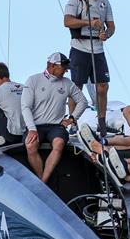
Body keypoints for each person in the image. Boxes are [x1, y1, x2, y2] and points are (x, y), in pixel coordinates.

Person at [22, 52, 88, 183]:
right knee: (30, 146)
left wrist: (72, 119)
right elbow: (25, 107)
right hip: (36, 126)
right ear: (52, 66)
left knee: (59, 143)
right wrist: (31, 128)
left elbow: (83, 101)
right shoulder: (33, 80)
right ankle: (42, 179)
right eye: (63, 68)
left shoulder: (67, 83)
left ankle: (43, 181)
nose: (66, 71)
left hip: (56, 126)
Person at [64, 0, 115, 136]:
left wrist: (106, 34)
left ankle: (102, 122)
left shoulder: (104, 2)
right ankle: (73, 122)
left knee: (102, 86)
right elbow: (67, 21)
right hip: (80, 47)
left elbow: (111, 26)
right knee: (76, 87)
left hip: (98, 48)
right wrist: (88, 23)